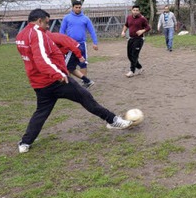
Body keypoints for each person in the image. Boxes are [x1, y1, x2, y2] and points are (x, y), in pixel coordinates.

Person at [16, 8, 132, 154]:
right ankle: (113, 121)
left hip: (39, 83)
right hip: (56, 81)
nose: (47, 26)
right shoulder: (37, 34)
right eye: (46, 23)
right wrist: (57, 73)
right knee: (86, 98)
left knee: (41, 112)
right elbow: (41, 60)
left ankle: (25, 142)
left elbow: (32, 59)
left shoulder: (21, 35)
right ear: (39, 21)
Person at [59, 0, 99, 78]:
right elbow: (62, 30)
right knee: (67, 64)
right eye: (76, 7)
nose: (78, 9)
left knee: (83, 63)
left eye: (79, 7)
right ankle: (68, 82)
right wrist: (61, 43)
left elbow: (92, 31)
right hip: (69, 44)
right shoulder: (67, 18)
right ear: (73, 7)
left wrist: (95, 42)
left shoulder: (85, 18)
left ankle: (85, 81)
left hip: (81, 44)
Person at [121, 5, 151, 78]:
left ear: (139, 11)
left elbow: (148, 27)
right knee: (129, 56)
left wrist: (142, 30)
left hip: (139, 39)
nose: (135, 12)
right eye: (134, 10)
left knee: (134, 55)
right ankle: (140, 68)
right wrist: (123, 32)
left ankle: (132, 71)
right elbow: (126, 25)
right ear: (131, 10)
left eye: (137, 10)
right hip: (131, 38)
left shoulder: (142, 19)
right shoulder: (129, 17)